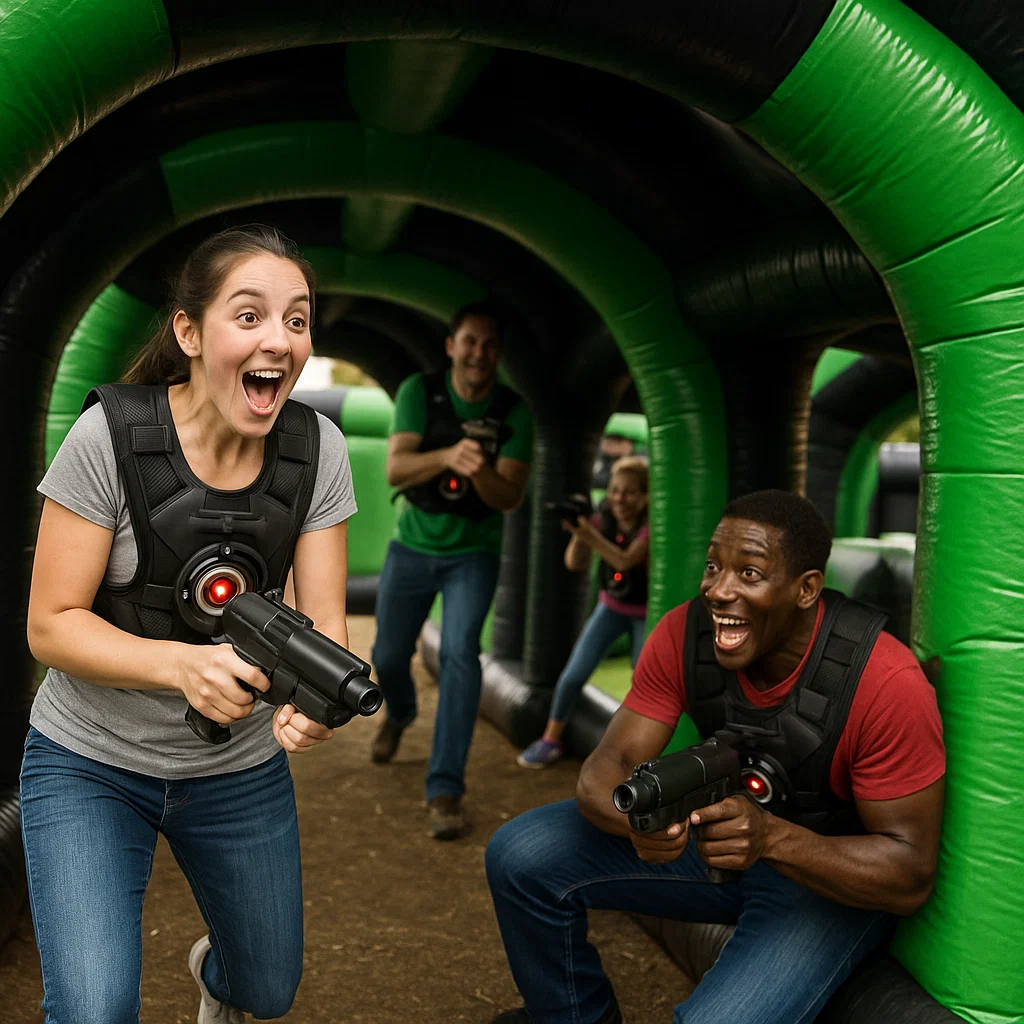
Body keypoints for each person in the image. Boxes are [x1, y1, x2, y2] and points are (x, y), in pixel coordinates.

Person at [21, 225, 358, 1023]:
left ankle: (218, 973)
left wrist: (313, 701)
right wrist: (183, 666)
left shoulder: (320, 450)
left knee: (268, 989)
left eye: (298, 320)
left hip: (237, 774)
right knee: (95, 1009)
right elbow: (51, 625)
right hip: (89, 763)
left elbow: (328, 625)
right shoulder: (109, 436)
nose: (278, 338)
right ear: (188, 331)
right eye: (249, 315)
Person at [484, 490, 945, 1024]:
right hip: (713, 846)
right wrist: (644, 824)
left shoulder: (885, 681)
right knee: (520, 855)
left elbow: (909, 875)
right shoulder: (685, 634)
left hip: (825, 882)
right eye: (712, 566)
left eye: (749, 573)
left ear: (806, 589)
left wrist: (772, 837)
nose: (718, 590)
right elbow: (602, 771)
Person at [370, 301, 532, 840]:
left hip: (473, 554)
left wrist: (479, 468)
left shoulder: (514, 412)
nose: (478, 354)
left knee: (462, 653)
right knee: (388, 655)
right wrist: (448, 455)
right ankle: (400, 713)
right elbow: (396, 466)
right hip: (412, 546)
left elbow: (509, 497)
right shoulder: (422, 391)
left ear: (499, 354)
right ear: (451, 345)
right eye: (469, 341)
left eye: (488, 345)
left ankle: (445, 789)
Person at [518, 456, 650, 768]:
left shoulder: (649, 526)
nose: (619, 499)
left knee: (643, 682)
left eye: (630, 492)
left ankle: (634, 753)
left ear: (645, 496)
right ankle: (551, 738)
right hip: (611, 606)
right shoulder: (603, 514)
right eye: (615, 491)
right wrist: (580, 530)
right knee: (574, 673)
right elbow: (574, 563)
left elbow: (624, 561)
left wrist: (591, 535)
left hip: (645, 612)